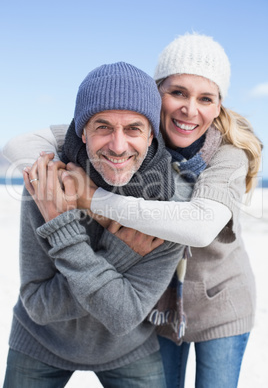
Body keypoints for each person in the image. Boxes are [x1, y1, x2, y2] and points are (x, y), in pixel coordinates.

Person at [4, 34, 263, 388]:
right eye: (178, 93)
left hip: (216, 299)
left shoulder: (195, 186)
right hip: (153, 311)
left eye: (206, 98)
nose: (190, 109)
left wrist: (89, 202)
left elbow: (197, 228)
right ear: (156, 98)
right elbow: (40, 304)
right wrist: (119, 252)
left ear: (219, 106)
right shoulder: (57, 175)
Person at [3, 62, 188, 388]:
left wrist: (62, 227)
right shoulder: (48, 184)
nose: (118, 146)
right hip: (41, 342)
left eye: (133, 128)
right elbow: (38, 306)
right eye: (103, 127)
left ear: (150, 136)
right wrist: (120, 254)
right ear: (82, 131)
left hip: (128, 347)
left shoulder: (169, 205)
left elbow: (123, 317)